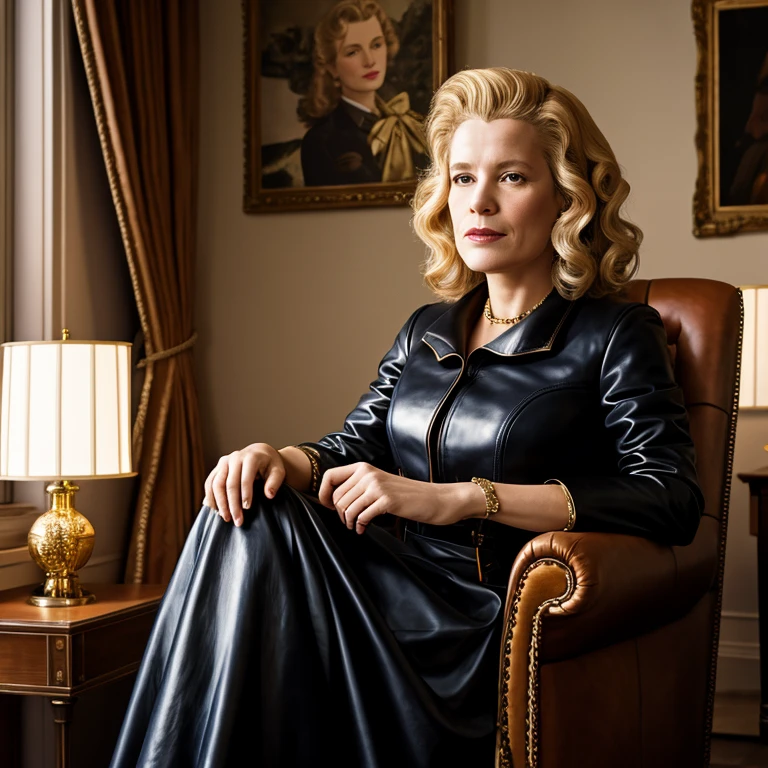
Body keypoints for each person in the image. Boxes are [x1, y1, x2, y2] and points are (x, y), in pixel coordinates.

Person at [110, 67, 703, 767]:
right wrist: (278, 458)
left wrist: (461, 499)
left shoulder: (614, 334)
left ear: (566, 197)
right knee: (243, 501)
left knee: (248, 532)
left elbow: (670, 497)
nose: (478, 202)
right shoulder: (428, 326)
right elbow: (353, 442)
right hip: (384, 580)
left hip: (476, 619)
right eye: (461, 178)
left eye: (511, 177)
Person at [299, 0, 429, 187]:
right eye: (353, 52)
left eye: (376, 45)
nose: (369, 61)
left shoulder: (412, 125)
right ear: (331, 66)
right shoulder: (321, 141)